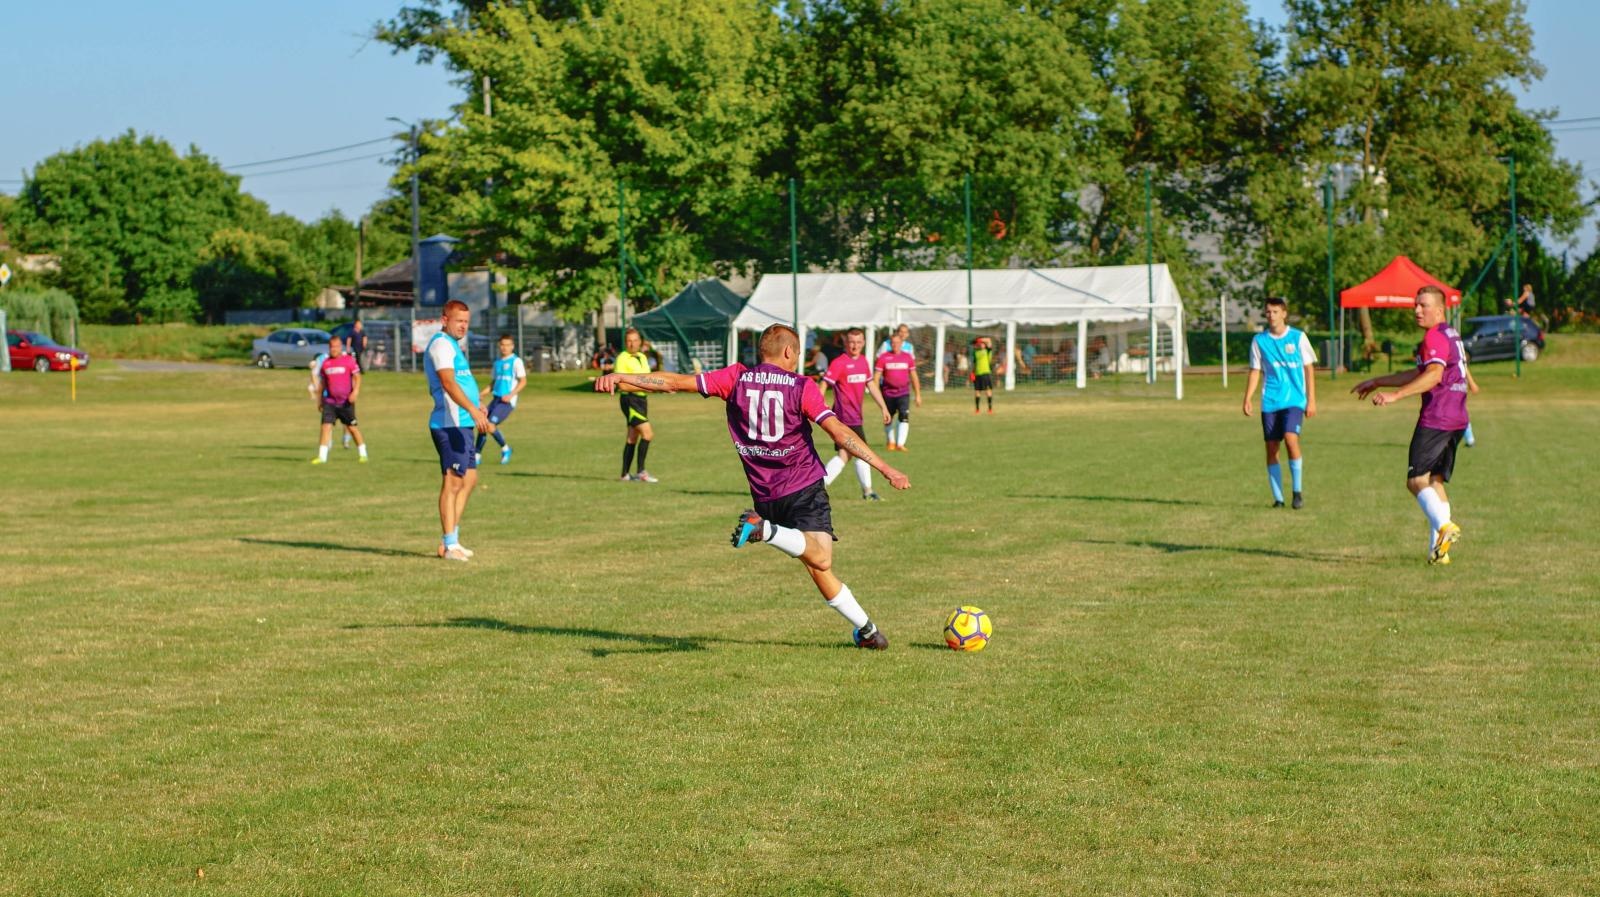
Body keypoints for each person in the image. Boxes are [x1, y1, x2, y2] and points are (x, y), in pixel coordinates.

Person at [593, 324, 910, 648]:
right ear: (789, 352)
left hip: (764, 493)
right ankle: (767, 531)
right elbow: (840, 433)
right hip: (802, 487)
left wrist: (622, 378)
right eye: (797, 353)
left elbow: (673, 382)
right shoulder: (802, 386)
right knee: (822, 558)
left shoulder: (736, 378)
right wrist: (885, 467)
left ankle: (868, 631)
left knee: (816, 567)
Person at [1352, 286, 1468, 565]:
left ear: (1439, 310)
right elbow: (1420, 372)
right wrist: (1379, 380)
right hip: (1457, 417)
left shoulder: (1434, 336)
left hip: (1437, 417)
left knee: (1416, 480)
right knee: (1434, 480)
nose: (1417, 310)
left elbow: (1433, 375)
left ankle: (1445, 528)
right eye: (1415, 305)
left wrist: (1396, 395)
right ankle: (1439, 553)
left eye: (1423, 306)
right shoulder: (1449, 334)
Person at [425, 300, 494, 562]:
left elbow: (462, 381)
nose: (463, 326)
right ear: (445, 320)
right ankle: (448, 543)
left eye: (466, 321)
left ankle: (452, 539)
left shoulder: (454, 345)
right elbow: (447, 382)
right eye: (458, 321)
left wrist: (477, 405)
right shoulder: (441, 344)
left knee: (469, 480)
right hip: (449, 423)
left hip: (463, 422)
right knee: (452, 481)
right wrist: (473, 410)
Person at [1241, 297, 1317, 508]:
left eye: (1275, 311)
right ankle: (1278, 499)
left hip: (1294, 400)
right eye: (1268, 312)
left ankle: (1297, 492)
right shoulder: (1259, 341)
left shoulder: (1298, 337)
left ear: (1284, 313)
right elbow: (1255, 370)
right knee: (1272, 447)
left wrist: (1311, 400)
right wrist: (1247, 398)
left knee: (1291, 439)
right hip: (1270, 401)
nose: (1271, 316)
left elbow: (1309, 369)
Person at [821, 328, 891, 500]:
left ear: (864, 343)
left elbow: (871, 385)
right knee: (862, 452)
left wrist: (883, 407)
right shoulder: (839, 363)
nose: (855, 345)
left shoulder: (863, 362)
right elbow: (824, 384)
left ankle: (817, 487)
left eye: (858, 342)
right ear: (845, 343)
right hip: (844, 418)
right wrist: (819, 406)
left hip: (856, 417)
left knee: (845, 455)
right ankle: (868, 491)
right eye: (851, 342)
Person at [605, 328, 658, 482]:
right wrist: (647, 387)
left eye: (635, 340)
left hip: (642, 400)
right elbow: (622, 385)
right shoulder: (622, 358)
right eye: (629, 341)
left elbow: (648, 379)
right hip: (630, 400)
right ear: (625, 342)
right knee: (648, 434)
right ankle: (641, 472)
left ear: (640, 342)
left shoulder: (642, 356)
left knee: (632, 437)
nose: (632, 344)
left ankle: (625, 475)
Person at [309, 334, 368, 465]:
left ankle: (363, 453)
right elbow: (322, 384)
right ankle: (322, 457)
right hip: (330, 402)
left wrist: (355, 392)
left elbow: (357, 377)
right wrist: (320, 400)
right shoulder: (326, 363)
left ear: (340, 347)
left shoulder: (348, 360)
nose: (333, 349)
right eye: (331, 347)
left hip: (346, 401)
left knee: (352, 428)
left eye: (335, 347)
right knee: (325, 427)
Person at [476, 334, 527, 466]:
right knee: (482, 425)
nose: (505, 347)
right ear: (499, 346)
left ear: (512, 346)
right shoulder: (497, 363)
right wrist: (482, 394)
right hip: (496, 399)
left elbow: (523, 381)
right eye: (502, 345)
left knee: (490, 425)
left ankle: (506, 449)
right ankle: (476, 455)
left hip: (507, 402)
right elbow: (494, 383)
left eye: (508, 345)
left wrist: (511, 394)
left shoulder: (516, 361)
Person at [874, 331, 921, 451]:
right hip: (887, 393)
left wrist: (918, 395)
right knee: (888, 417)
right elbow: (876, 377)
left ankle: (900, 444)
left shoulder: (907, 357)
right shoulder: (884, 357)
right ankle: (891, 441)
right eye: (893, 343)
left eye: (897, 343)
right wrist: (875, 393)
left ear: (901, 343)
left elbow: (914, 376)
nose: (895, 345)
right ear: (890, 344)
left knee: (904, 416)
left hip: (903, 393)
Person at [971, 336, 997, 414]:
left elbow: (989, 340)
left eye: (982, 344)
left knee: (988, 391)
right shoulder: (975, 352)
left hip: (986, 373)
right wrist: (973, 372)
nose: (980, 345)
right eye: (979, 344)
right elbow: (975, 364)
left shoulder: (987, 351)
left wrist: (980, 339)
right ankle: (977, 409)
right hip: (978, 374)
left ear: (984, 345)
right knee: (977, 392)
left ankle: (990, 409)